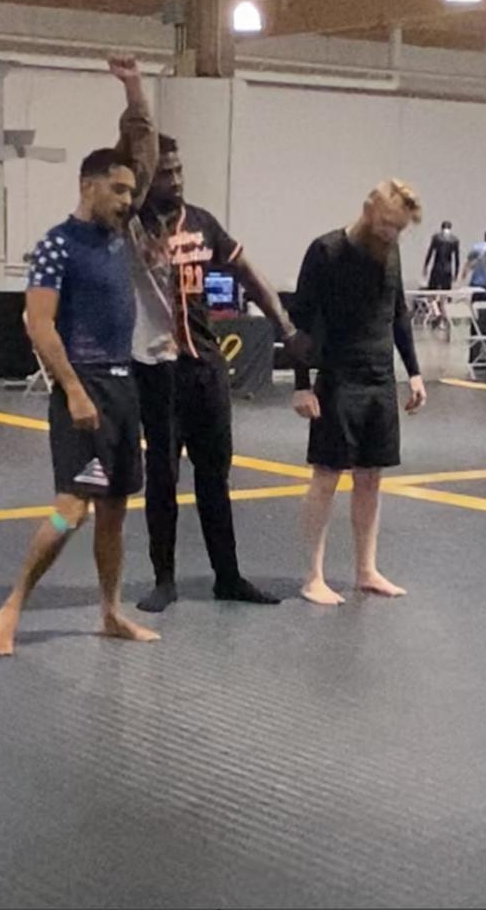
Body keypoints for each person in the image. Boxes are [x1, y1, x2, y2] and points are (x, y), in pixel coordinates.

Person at [0, 56, 160, 657]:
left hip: (122, 387)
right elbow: (39, 325)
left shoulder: (120, 235)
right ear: (88, 186)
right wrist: (75, 390)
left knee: (114, 510)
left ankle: (110, 611)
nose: (128, 199)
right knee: (72, 510)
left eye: (131, 191)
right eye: (118, 189)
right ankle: (14, 603)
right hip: (82, 388)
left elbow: (145, 153)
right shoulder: (57, 246)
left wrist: (134, 89)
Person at [132, 135, 295, 614]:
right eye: (166, 173)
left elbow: (248, 272)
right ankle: (164, 579)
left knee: (215, 476)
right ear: (148, 177)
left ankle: (228, 575)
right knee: (162, 476)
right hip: (158, 372)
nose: (176, 180)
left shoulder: (203, 224)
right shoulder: (132, 227)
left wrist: (285, 326)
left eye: (179, 170)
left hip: (205, 369)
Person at [290, 179, 427, 606]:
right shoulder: (326, 251)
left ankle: (366, 569)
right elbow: (300, 322)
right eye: (387, 224)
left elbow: (398, 314)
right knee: (326, 477)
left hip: (379, 379)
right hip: (338, 379)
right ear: (368, 211)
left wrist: (414, 373)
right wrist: (301, 385)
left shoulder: (391, 251)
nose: (392, 234)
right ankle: (313, 575)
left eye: (399, 228)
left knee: (371, 478)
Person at [423, 221, 460, 291]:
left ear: (441, 228)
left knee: (432, 290)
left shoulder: (436, 238)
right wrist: (456, 273)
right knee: (445, 291)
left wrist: (425, 266)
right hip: (447, 269)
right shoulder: (454, 240)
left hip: (437, 267)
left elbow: (430, 253)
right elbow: (457, 259)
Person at [461, 229, 486, 296]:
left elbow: (468, 262)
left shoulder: (477, 247)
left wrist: (464, 273)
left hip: (477, 280)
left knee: (476, 299)